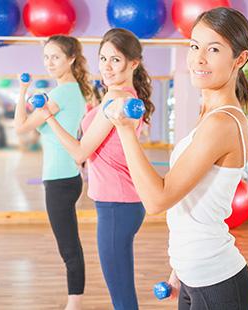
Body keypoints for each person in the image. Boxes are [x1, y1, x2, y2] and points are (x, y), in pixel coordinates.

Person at [106, 7, 248, 309]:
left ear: (240, 59)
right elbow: (195, 204)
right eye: (194, 46)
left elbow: (157, 201)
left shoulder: (221, 123)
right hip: (192, 274)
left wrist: (124, 130)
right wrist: (179, 269)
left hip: (217, 282)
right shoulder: (209, 116)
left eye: (213, 49)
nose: (198, 58)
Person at [42, 28, 155, 309]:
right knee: (120, 291)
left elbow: (81, 152)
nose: (106, 66)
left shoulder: (117, 100)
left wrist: (49, 118)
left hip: (117, 205)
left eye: (115, 60)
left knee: (122, 297)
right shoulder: (119, 95)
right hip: (121, 203)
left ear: (133, 63)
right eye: (102, 58)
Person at [13, 35, 92, 310]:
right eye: (46, 57)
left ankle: (74, 304)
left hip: (60, 180)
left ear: (71, 59)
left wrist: (22, 89)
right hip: (67, 177)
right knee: (69, 245)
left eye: (55, 57)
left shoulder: (59, 95)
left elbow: (20, 127)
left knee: (69, 247)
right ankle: (75, 300)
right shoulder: (74, 91)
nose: (49, 62)